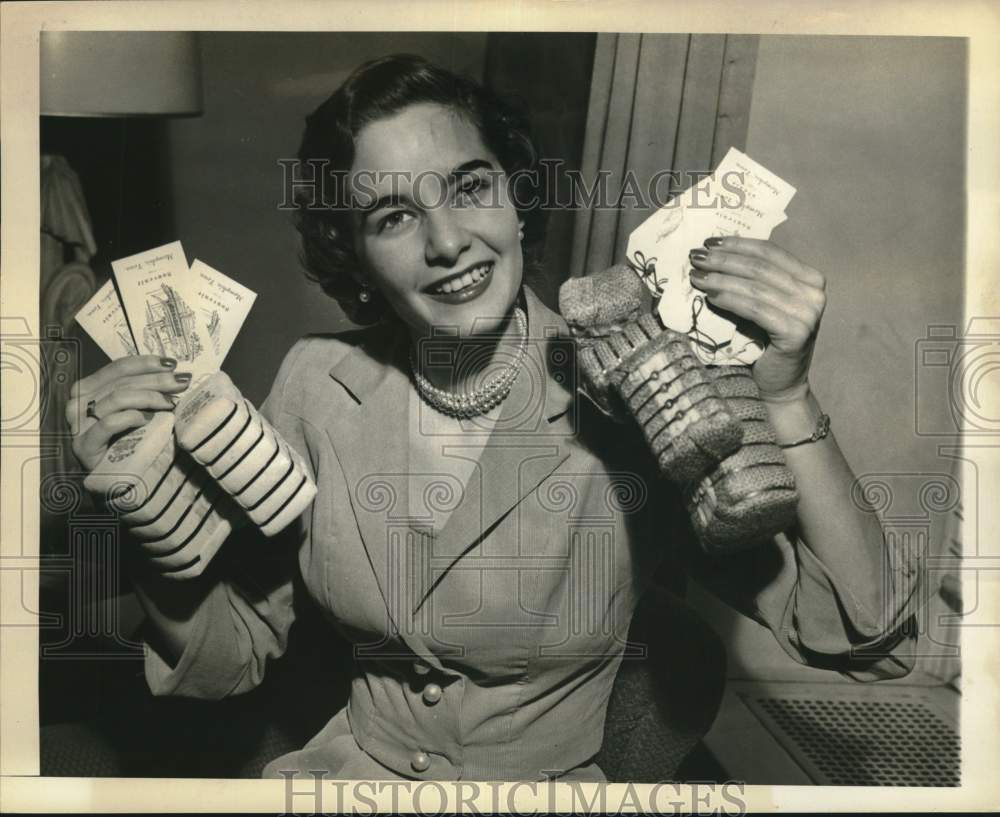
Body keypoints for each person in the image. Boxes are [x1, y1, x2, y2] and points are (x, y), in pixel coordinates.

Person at [66, 54, 919, 782]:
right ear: (358, 260)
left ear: (517, 201)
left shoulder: (634, 391)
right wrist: (144, 500)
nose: (447, 241)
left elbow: (868, 637)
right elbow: (232, 655)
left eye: (470, 187)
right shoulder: (315, 381)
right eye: (394, 216)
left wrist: (785, 393)